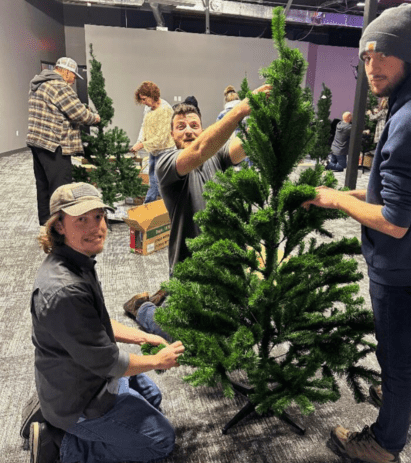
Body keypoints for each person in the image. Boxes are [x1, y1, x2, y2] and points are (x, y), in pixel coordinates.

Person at [302, 3, 411, 463]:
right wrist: (350, 192)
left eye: (382, 56)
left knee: (394, 351)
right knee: (405, 336)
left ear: (409, 58)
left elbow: (394, 219)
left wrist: (336, 202)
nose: (371, 68)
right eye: (366, 57)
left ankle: (385, 443)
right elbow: (408, 190)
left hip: (400, 258)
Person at [26, 182, 184, 463]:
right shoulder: (65, 289)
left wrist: (142, 337)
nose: (95, 228)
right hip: (84, 393)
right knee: (161, 442)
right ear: (58, 224)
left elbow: (101, 324)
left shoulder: (76, 260)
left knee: (153, 398)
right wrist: (158, 360)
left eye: (98, 217)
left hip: (81, 373)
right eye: (81, 219)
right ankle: (60, 443)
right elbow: (110, 362)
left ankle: (52, 411)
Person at [123, 84, 271, 334]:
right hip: (189, 269)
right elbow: (199, 150)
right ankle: (143, 308)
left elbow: (243, 144)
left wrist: (265, 113)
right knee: (185, 338)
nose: (189, 131)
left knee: (242, 325)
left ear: (202, 129)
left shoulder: (217, 156)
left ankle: (166, 294)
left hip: (222, 266)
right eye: (181, 127)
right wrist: (240, 110)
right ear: (172, 135)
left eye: (194, 125)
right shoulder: (167, 164)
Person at [26, 57, 101, 227]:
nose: (74, 80)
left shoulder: (39, 84)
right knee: (61, 188)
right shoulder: (59, 86)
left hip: (38, 143)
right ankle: (60, 226)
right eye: (73, 75)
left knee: (43, 184)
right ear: (65, 72)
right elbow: (79, 114)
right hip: (55, 145)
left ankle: (46, 224)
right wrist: (94, 118)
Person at [130, 81, 174, 203]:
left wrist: (142, 145)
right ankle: (152, 208)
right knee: (153, 181)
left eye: (144, 99)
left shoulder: (166, 110)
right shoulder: (147, 109)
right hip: (153, 152)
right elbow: (144, 126)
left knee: (159, 182)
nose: (143, 102)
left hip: (165, 152)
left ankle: (151, 207)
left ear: (152, 95)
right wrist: (138, 141)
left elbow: (162, 137)